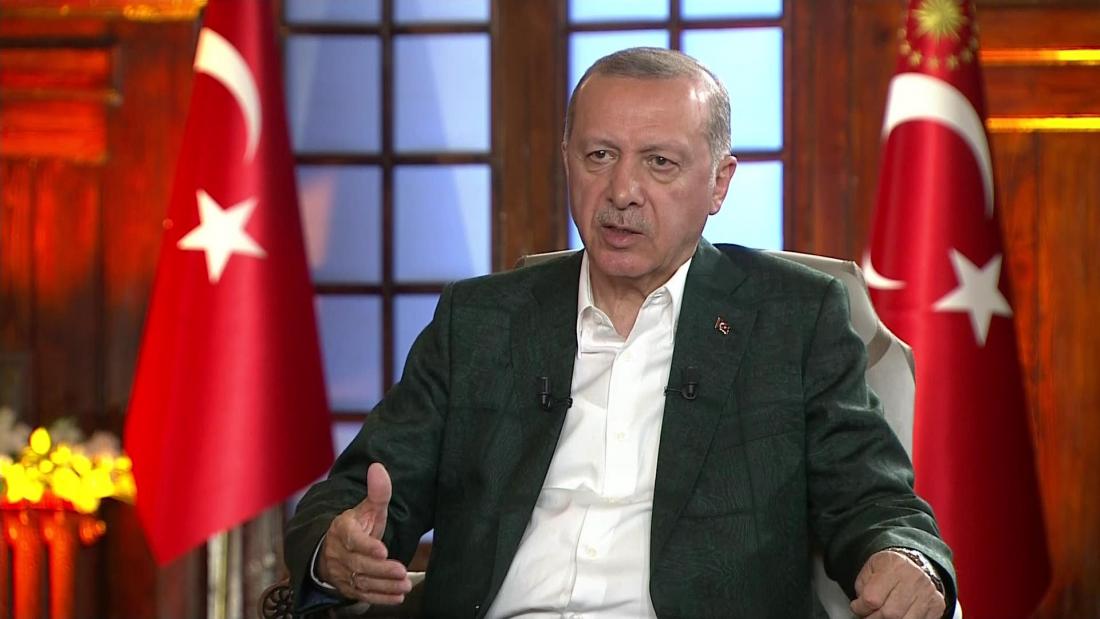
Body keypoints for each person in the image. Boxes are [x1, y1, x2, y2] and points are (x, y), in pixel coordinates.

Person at [285, 47, 956, 619]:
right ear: (567, 160)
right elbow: (358, 494)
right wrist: (335, 546)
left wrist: (903, 557)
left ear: (719, 183)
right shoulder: (481, 321)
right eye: (600, 155)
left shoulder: (792, 320)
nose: (622, 190)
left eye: (659, 162)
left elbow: (873, 500)